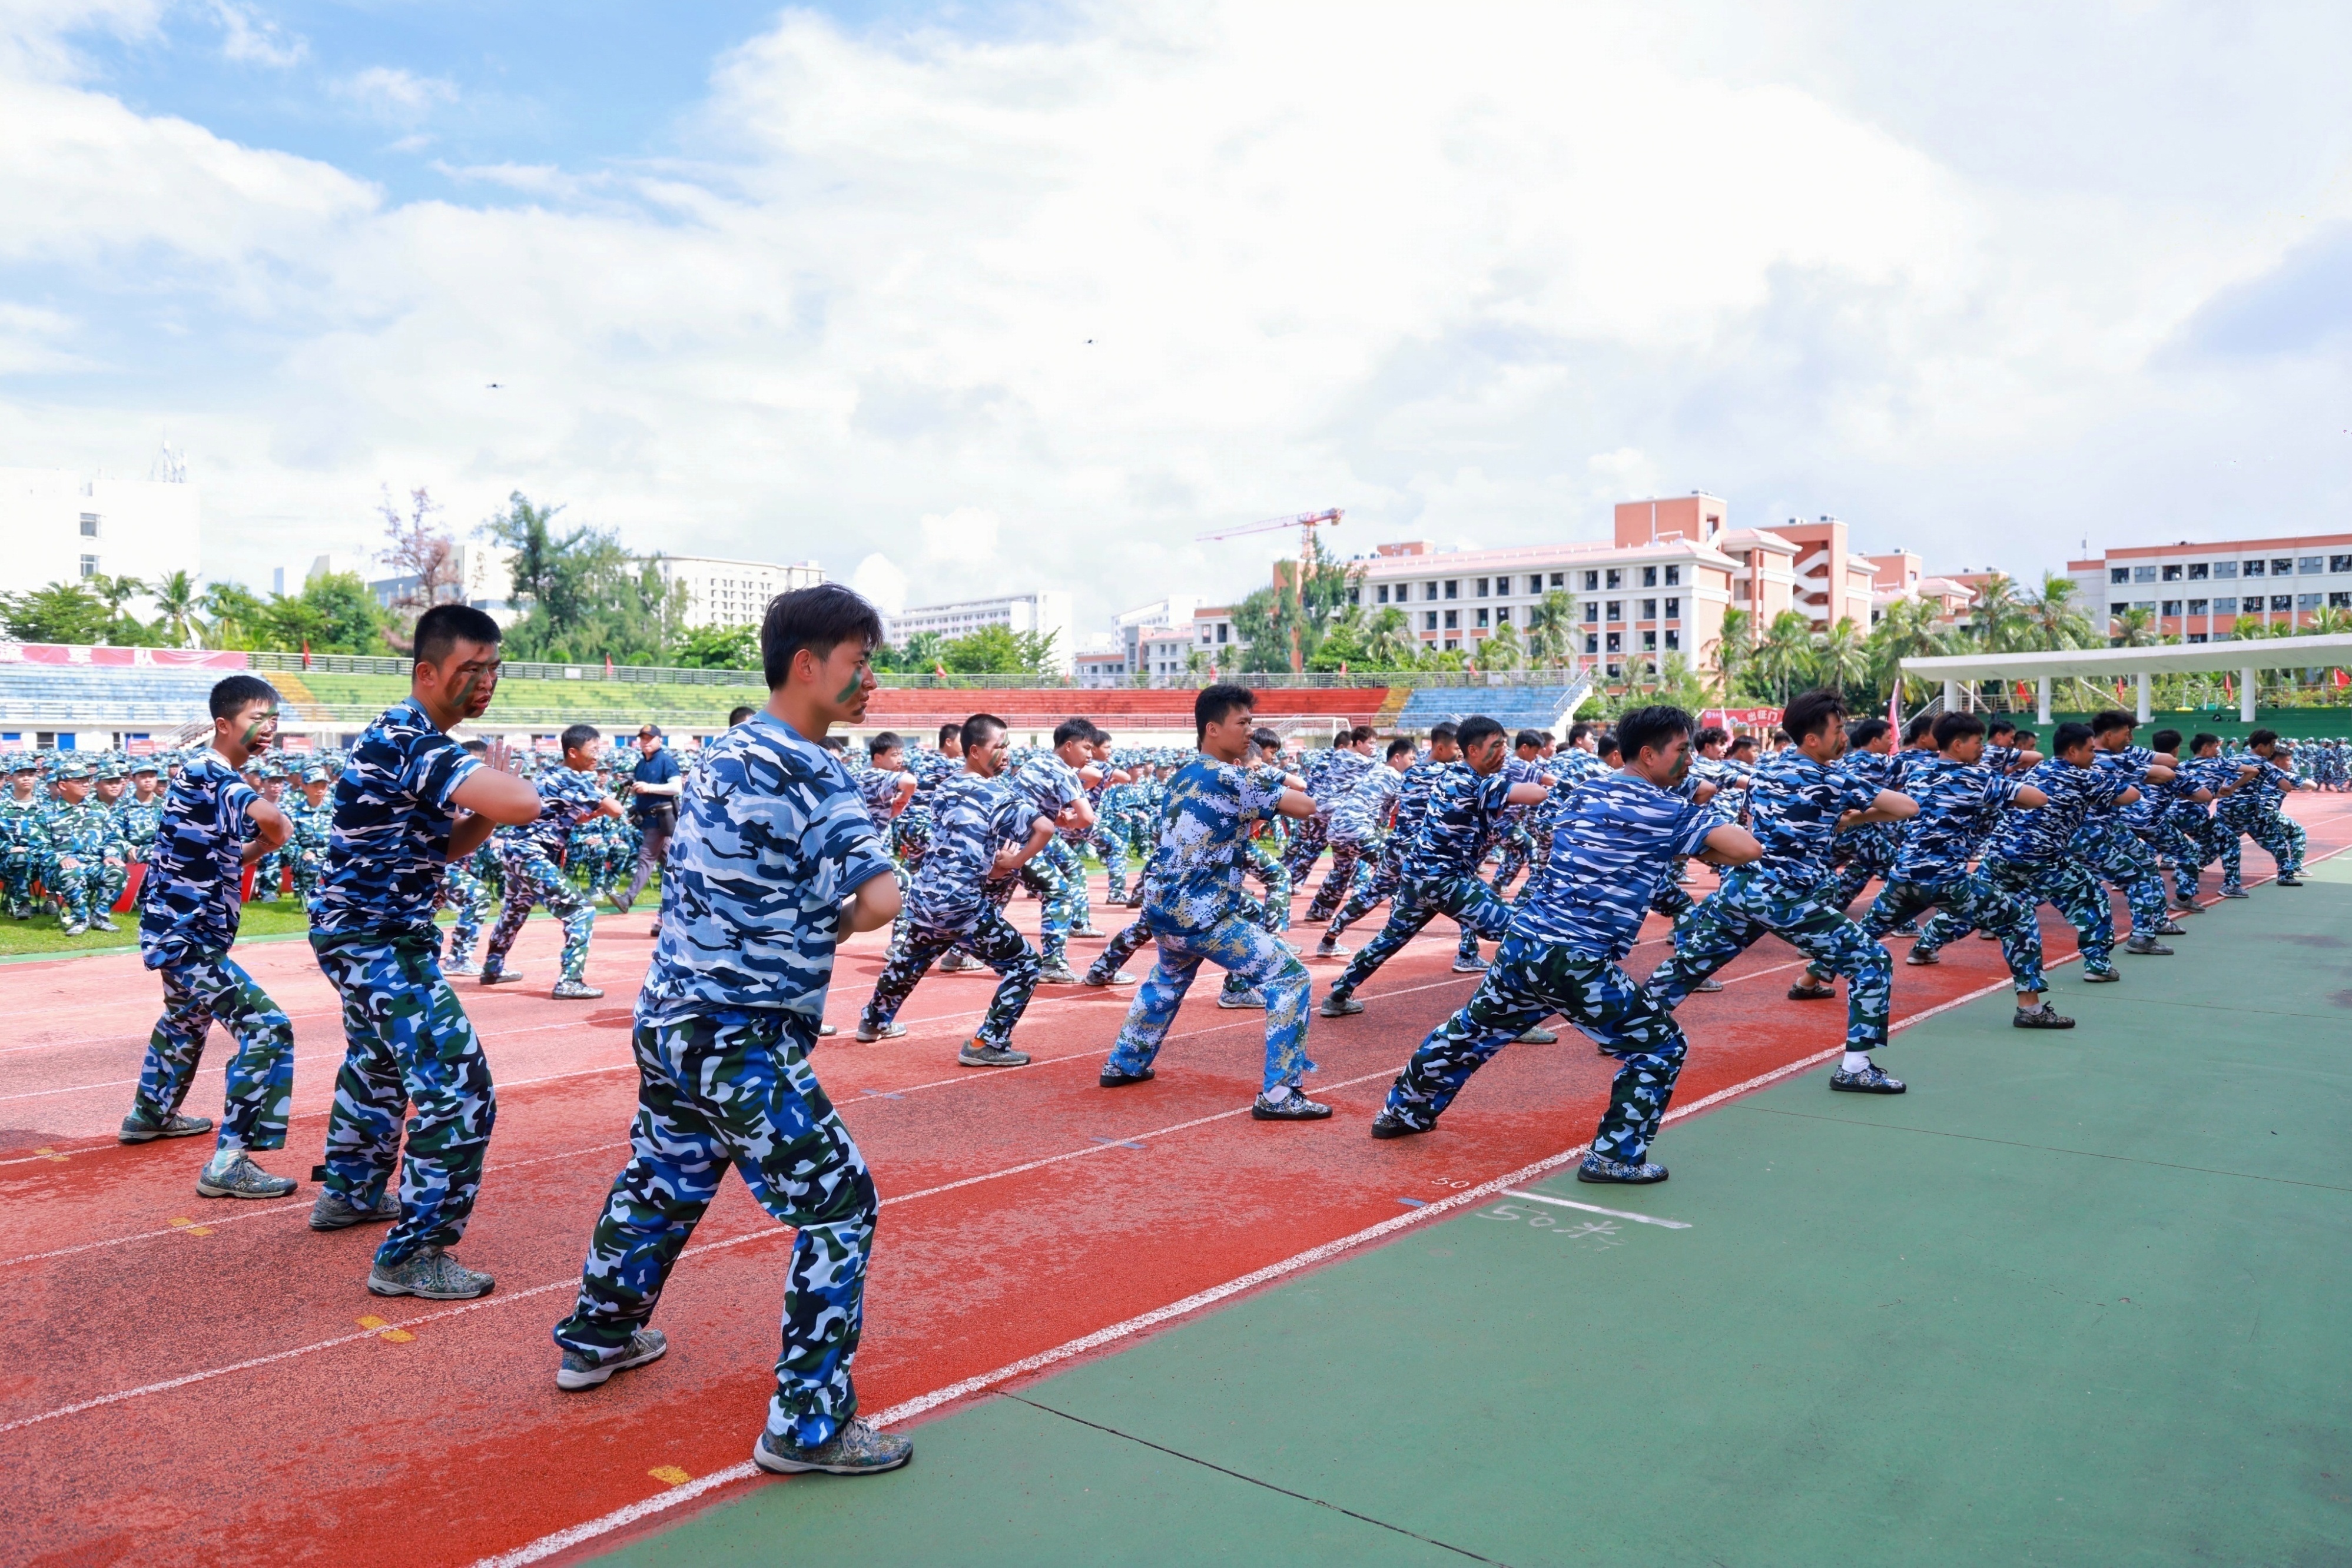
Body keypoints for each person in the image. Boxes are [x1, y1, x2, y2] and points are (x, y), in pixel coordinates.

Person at [550, 583, 910, 1477]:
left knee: (666, 1176)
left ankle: (597, 1337)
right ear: (807, 665)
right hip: (740, 1035)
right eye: (859, 661)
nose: (871, 680)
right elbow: (881, 899)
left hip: (671, 1019)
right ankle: (808, 1426)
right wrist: (820, 926)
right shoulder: (815, 766)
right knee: (838, 1202)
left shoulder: (723, 751)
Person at [1371, 706, 1761, 1182]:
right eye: (1682, 751)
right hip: (1575, 958)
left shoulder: (1589, 790)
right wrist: (1696, 820)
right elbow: (1745, 849)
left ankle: (1402, 1112)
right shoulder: (1663, 810)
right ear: (1648, 754)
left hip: (1525, 942)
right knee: (1660, 1046)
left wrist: (1686, 829)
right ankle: (1614, 1156)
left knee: (1472, 1032)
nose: (1688, 763)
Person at [306, 604, 546, 1300]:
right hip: (376, 939)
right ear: (427, 672)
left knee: (378, 1065)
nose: (487, 683)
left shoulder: (412, 740)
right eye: (472, 670)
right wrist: (497, 788)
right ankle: (413, 1254)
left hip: (364, 933)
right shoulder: (415, 739)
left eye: (495, 669)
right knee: (460, 1091)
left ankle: (350, 1191)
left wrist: (480, 812)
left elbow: (438, 847)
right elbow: (525, 803)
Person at [1643, 689, 1918, 1094]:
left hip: (1741, 887)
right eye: (1837, 730)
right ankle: (1856, 1067)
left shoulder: (1766, 769)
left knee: (1690, 965)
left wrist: (1837, 820)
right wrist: (1855, 818)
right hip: (1783, 896)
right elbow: (1906, 807)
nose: (1843, 738)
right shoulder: (1833, 778)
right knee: (1870, 961)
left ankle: (1630, 1027)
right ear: (1812, 739)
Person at [1099, 684, 1328, 1118]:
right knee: (1289, 979)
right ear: (1212, 728)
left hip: (1163, 908)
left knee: (1166, 981)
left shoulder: (1185, 773)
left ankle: (1124, 1063)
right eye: (1242, 723)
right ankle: (1280, 1095)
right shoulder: (1230, 777)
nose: (1250, 732)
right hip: (1203, 914)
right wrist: (1261, 770)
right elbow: (1306, 805)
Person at [122, 675, 303, 1199]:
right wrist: (277, 834)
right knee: (268, 1027)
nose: (268, 729)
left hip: (182, 933)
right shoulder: (210, 771)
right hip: (187, 940)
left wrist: (258, 849)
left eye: (274, 720)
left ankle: (149, 1114)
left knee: (186, 1019)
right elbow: (273, 820)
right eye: (256, 719)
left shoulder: (207, 774)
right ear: (223, 725)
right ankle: (230, 1161)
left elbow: (220, 854)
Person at [1799, 712, 2071, 1027]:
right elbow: (2038, 798)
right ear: (1957, 744)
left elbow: (1892, 801)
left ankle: (1807, 982)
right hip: (1946, 881)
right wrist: (1998, 790)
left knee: (1864, 932)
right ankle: (2031, 1010)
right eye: (1976, 743)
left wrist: (1854, 818)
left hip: (1903, 877)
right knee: (2019, 921)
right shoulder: (1976, 777)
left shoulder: (1917, 768)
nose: (1981, 749)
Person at [857, 712, 1067, 1065]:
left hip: (925, 897)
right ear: (975, 751)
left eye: (1008, 746)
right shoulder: (997, 794)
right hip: (961, 904)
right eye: (1000, 746)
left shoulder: (946, 787)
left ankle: (873, 1022)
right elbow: (1044, 828)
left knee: (910, 960)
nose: (1007, 753)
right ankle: (988, 1044)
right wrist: (1013, 863)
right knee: (1026, 964)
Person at [1318, 716, 1551, 1018]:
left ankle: (1338, 995)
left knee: (1391, 938)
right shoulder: (1476, 782)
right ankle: (1508, 1014)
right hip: (1445, 880)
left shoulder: (1452, 774)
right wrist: (1513, 776)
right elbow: (1537, 794)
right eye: (1497, 746)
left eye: (1505, 746)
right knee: (1517, 933)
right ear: (1474, 750)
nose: (1503, 752)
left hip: (1418, 878)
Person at [1909, 721, 2139, 983]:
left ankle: (1924, 946)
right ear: (2074, 752)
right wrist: (2103, 779)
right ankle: (2097, 965)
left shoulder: (2038, 769)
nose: (2094, 756)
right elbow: (2131, 795)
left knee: (1972, 905)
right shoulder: (2084, 777)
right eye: (2090, 751)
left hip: (2000, 853)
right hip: (2042, 858)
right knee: (2091, 899)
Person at [479, 723, 626, 999]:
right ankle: (570, 981)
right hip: (532, 854)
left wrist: (596, 813)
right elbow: (616, 810)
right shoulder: (576, 778)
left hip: (516, 852)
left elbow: (579, 814)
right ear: (573, 752)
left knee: (514, 912)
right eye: (593, 750)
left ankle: (492, 968)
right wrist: (609, 802)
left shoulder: (551, 773)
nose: (598, 756)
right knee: (581, 911)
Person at [618, 723, 682, 928]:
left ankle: (628, 898)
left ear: (659, 740)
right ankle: (680, 906)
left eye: (650, 738)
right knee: (675, 867)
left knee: (646, 858)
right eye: (643, 738)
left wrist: (649, 787)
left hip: (660, 818)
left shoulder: (665, 761)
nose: (646, 741)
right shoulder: (641, 763)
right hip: (648, 818)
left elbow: (676, 787)